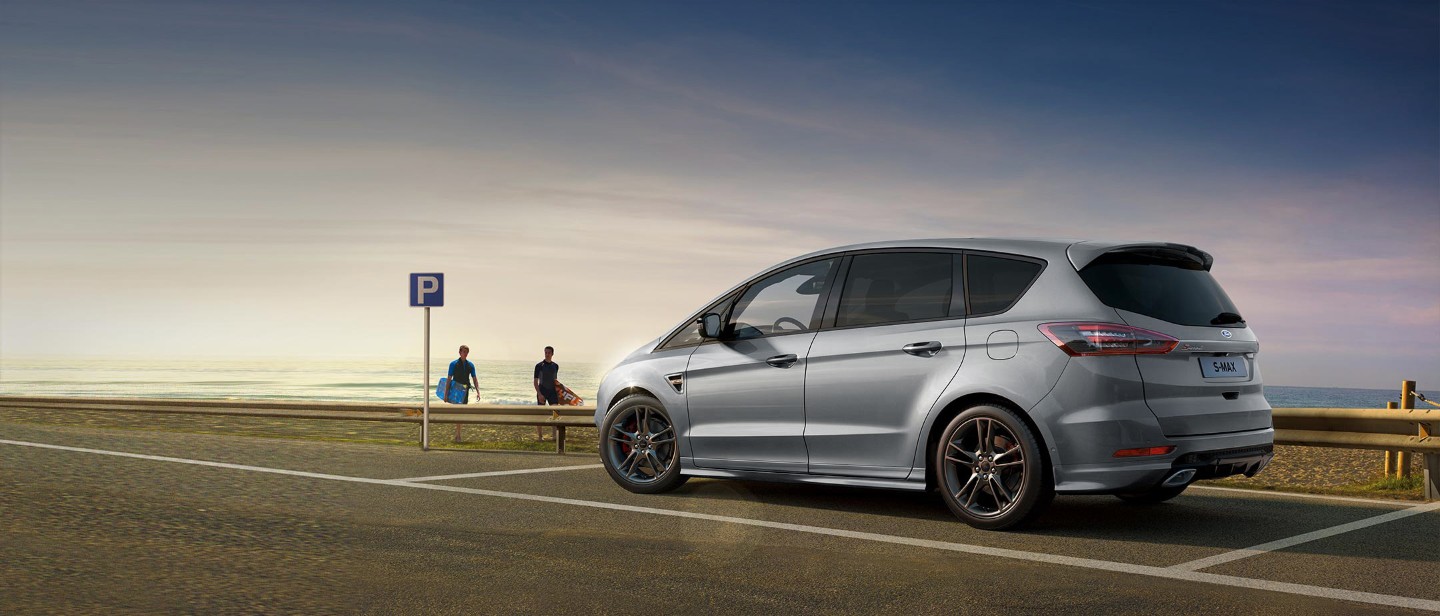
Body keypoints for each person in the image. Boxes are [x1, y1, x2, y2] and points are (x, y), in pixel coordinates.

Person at [448, 345, 479, 442]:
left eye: (467, 352)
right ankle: (458, 435)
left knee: (461, 413)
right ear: (459, 352)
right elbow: (449, 379)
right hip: (456, 390)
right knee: (458, 412)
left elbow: (474, 379)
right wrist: (445, 394)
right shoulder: (453, 364)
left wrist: (478, 392)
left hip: (465, 391)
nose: (465, 354)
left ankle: (458, 434)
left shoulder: (470, 365)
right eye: (464, 352)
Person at [534, 345, 559, 441]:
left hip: (553, 392)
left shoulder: (555, 366)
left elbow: (555, 381)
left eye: (549, 353)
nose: (547, 354)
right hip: (542, 391)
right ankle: (540, 437)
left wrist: (560, 392)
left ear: (552, 354)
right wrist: (539, 394)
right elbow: (536, 382)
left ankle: (554, 436)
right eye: (546, 352)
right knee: (540, 414)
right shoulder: (539, 366)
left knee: (555, 413)